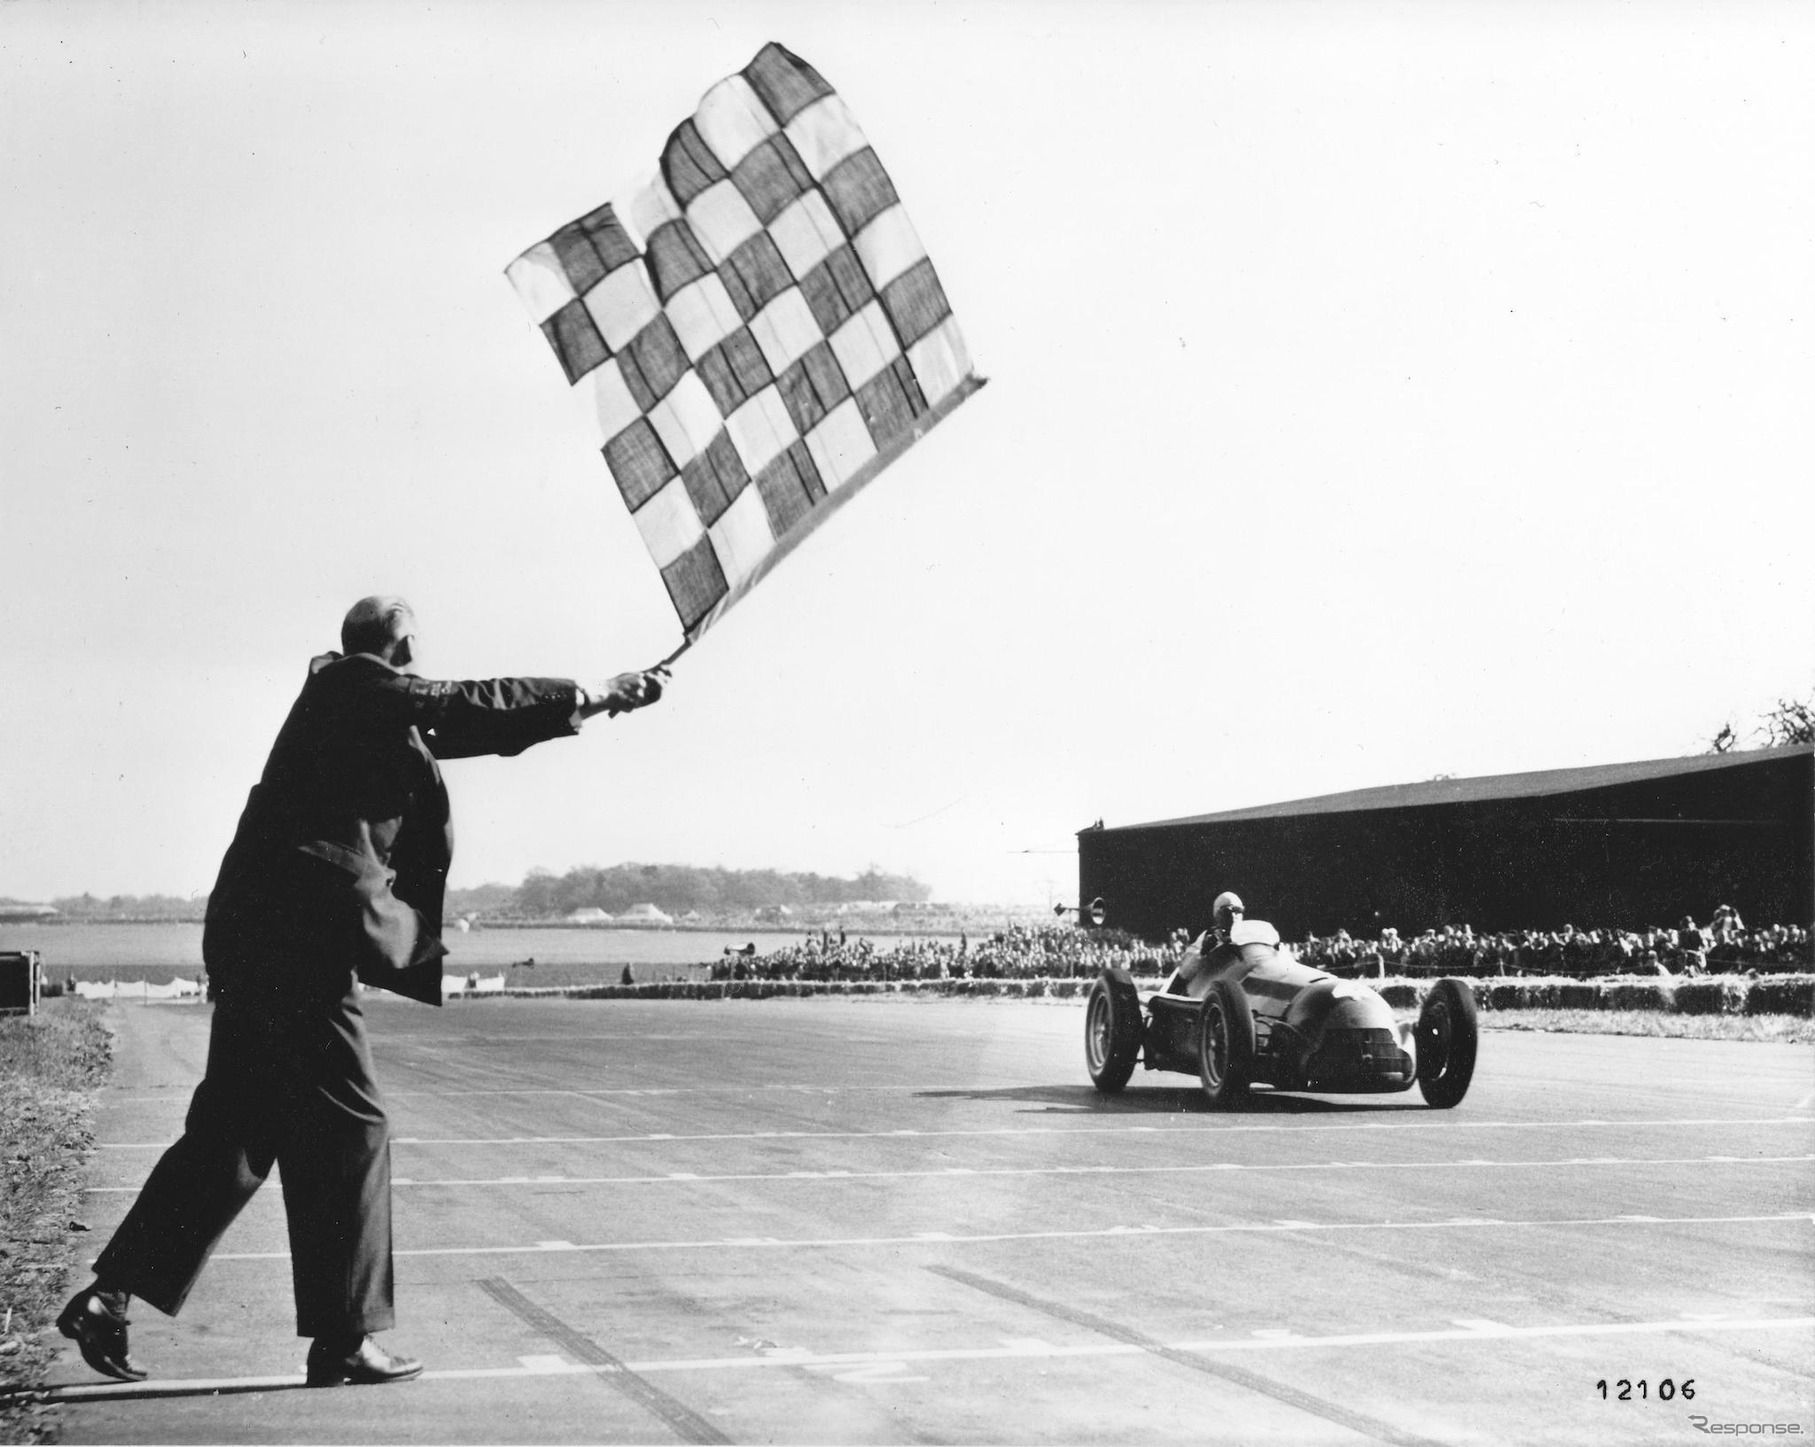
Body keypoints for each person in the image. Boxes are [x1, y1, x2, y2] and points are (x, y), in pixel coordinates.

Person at [57, 596, 666, 1388]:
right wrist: (589, 688)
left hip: (266, 936)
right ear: (403, 642)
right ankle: (343, 1338)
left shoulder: (358, 706)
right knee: (353, 1127)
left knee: (237, 1133)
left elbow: (473, 725)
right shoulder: (352, 685)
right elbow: (460, 702)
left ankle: (110, 1296)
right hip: (298, 940)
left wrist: (598, 699)